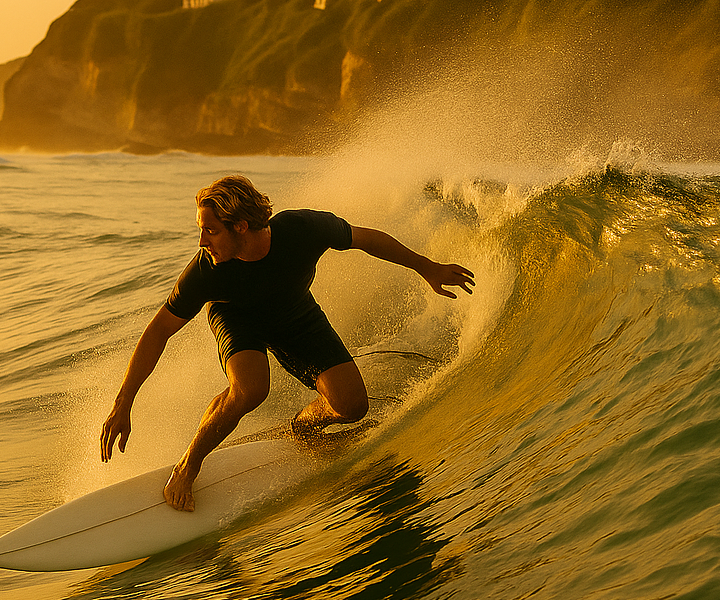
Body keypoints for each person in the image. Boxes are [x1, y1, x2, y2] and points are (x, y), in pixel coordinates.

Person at [100, 175, 474, 512]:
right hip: (236, 317)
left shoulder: (303, 229)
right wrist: (123, 403)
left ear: (241, 226)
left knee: (351, 406)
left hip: (294, 313)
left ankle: (303, 428)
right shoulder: (206, 270)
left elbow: (366, 238)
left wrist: (427, 266)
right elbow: (157, 331)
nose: (202, 241)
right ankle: (188, 465)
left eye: (211, 231)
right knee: (251, 390)